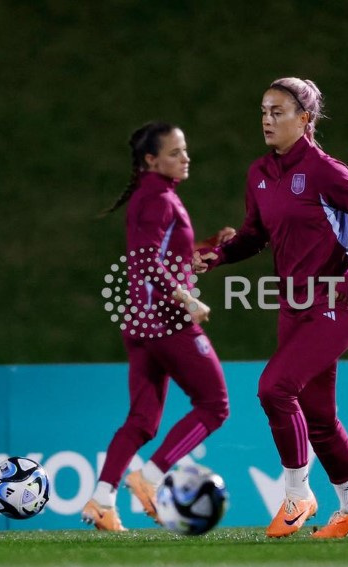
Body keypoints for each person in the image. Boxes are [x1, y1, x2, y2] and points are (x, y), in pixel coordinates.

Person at [194, 77, 348, 538]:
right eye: (263, 110)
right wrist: (217, 256)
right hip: (293, 307)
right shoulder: (259, 173)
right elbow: (253, 235)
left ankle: (298, 493)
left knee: (273, 389)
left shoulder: (325, 170)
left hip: (336, 304)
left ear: (305, 119)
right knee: (319, 417)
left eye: (278, 111)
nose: (267, 119)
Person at [81, 122, 230, 531]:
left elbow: (166, 259)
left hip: (142, 323)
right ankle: (149, 478)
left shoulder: (157, 197)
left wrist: (212, 246)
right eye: (176, 152)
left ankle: (101, 501)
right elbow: (145, 260)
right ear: (151, 160)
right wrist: (185, 298)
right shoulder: (157, 199)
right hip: (166, 321)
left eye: (185, 151)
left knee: (142, 421)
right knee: (215, 406)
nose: (186, 158)